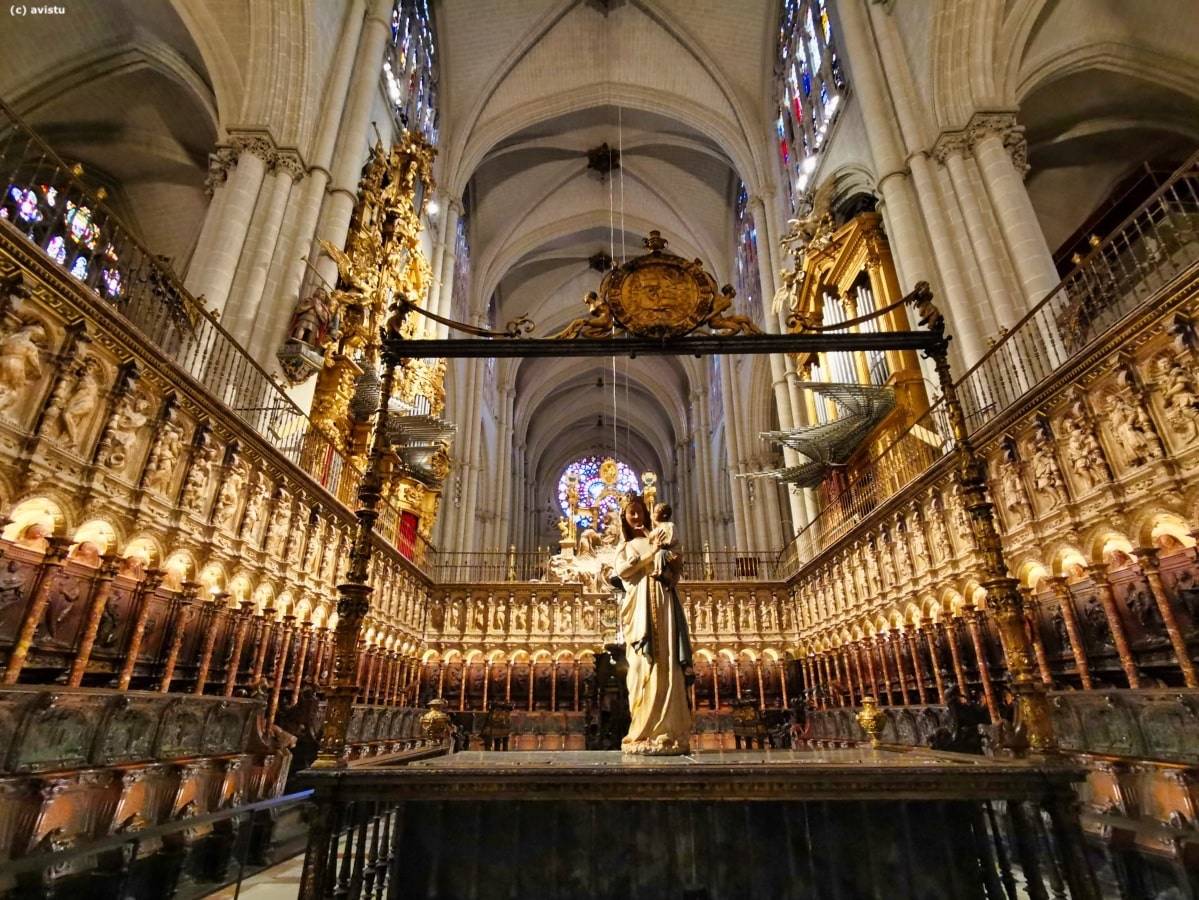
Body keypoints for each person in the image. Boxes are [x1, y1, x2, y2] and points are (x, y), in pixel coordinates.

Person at [616, 494, 692, 755]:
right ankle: (641, 730)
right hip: (639, 610)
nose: (636, 516)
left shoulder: (661, 535)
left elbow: (676, 564)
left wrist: (669, 555)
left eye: (639, 512)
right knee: (640, 667)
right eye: (631, 513)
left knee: (667, 661)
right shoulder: (627, 546)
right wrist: (652, 550)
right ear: (624, 518)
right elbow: (623, 571)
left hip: (663, 602)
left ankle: (668, 730)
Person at [648, 502, 677, 584]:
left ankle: (659, 571)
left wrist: (666, 544)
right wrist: (643, 529)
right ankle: (657, 571)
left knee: (660, 553)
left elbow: (673, 538)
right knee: (656, 554)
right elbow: (650, 538)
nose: (653, 514)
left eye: (655, 512)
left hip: (669, 552)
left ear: (664, 515)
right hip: (659, 551)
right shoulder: (658, 528)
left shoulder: (670, 525)